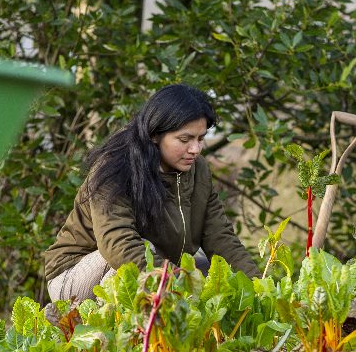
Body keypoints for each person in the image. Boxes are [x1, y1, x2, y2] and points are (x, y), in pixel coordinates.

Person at [44, 84, 259, 303]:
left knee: (209, 272)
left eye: (200, 139)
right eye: (185, 140)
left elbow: (221, 238)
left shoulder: (198, 171)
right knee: (147, 258)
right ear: (155, 135)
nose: (195, 149)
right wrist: (181, 285)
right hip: (74, 279)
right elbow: (117, 245)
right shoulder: (115, 167)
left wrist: (259, 289)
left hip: (152, 269)